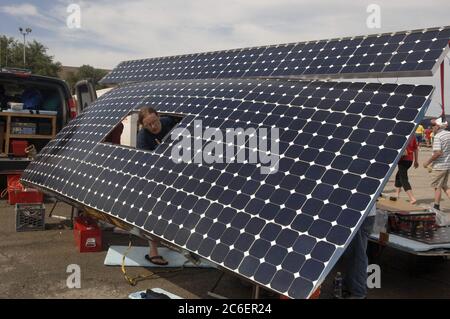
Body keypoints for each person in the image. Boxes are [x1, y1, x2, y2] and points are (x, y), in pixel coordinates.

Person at [137, 106, 175, 266]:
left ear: (158, 116)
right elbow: (145, 163)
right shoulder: (143, 137)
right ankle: (153, 251)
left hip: (175, 171)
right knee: (154, 212)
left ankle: (173, 242)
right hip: (154, 177)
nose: (154, 127)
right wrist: (160, 151)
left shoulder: (169, 122)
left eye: (155, 121)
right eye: (148, 125)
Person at [340, 204, 376, 299]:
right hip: (356, 213)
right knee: (352, 253)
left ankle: (358, 292)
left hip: (361, 216)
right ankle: (349, 284)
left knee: (357, 254)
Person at [423, 117, 450, 211]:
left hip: (439, 166)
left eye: (433, 126)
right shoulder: (448, 134)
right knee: (444, 186)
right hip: (447, 165)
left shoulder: (438, 137)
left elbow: (438, 152)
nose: (431, 127)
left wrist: (427, 162)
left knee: (436, 186)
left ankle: (436, 206)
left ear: (438, 126)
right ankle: (436, 205)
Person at [394, 134, 419, 204]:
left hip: (403, 159)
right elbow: (416, 149)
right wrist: (416, 161)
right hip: (410, 160)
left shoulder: (400, 135)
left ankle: (412, 198)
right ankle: (396, 195)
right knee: (398, 176)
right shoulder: (413, 136)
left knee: (403, 178)